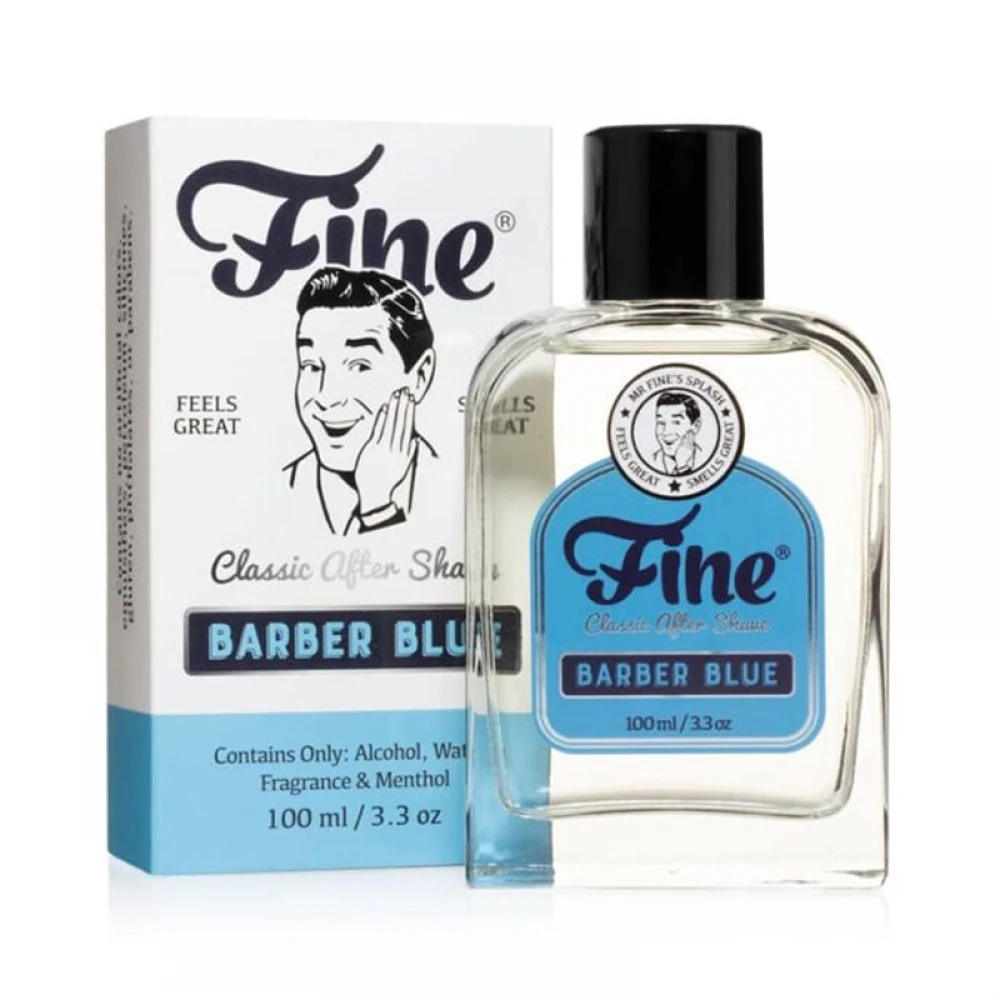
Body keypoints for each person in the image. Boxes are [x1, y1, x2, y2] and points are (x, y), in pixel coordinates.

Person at [283, 265, 437, 535]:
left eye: (359, 366)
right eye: (311, 365)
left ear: (419, 376)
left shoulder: (460, 479)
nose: (326, 398)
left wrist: (378, 506)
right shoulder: (282, 486)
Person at [651, 390, 702, 476]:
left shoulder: (707, 458)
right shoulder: (651, 460)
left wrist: (683, 467)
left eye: (676, 422)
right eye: (661, 423)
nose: (666, 432)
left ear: (695, 426)